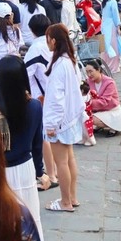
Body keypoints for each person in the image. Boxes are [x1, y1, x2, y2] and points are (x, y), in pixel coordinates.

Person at [0, 56, 46, 241]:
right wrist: (39, 172)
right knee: (31, 220)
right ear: (23, 78)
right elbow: (36, 144)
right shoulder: (34, 106)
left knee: (2, 224)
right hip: (26, 170)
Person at [43, 23, 84, 213]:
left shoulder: (60, 65)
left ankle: (65, 202)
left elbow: (55, 99)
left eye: (48, 39)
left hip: (60, 121)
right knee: (69, 159)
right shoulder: (70, 61)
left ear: (53, 40)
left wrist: (51, 124)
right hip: (70, 118)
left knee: (61, 162)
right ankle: (72, 197)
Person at [24, 14, 59, 190]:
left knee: (44, 136)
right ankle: (57, 170)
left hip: (40, 97)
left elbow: (25, 74)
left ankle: (51, 175)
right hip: (55, 95)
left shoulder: (35, 48)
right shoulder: (52, 45)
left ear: (31, 30)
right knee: (54, 135)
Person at [83, 60, 121, 137]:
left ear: (98, 70)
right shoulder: (88, 82)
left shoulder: (109, 83)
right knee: (83, 115)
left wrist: (87, 102)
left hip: (111, 110)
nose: (89, 74)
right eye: (87, 72)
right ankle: (101, 124)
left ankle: (113, 126)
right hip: (98, 109)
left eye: (91, 71)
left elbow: (104, 101)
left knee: (90, 118)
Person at [100, 0, 121, 74]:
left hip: (104, 25)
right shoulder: (113, 2)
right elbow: (116, 16)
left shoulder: (104, 2)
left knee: (106, 45)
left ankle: (106, 64)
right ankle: (113, 66)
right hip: (111, 25)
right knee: (114, 45)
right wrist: (119, 27)